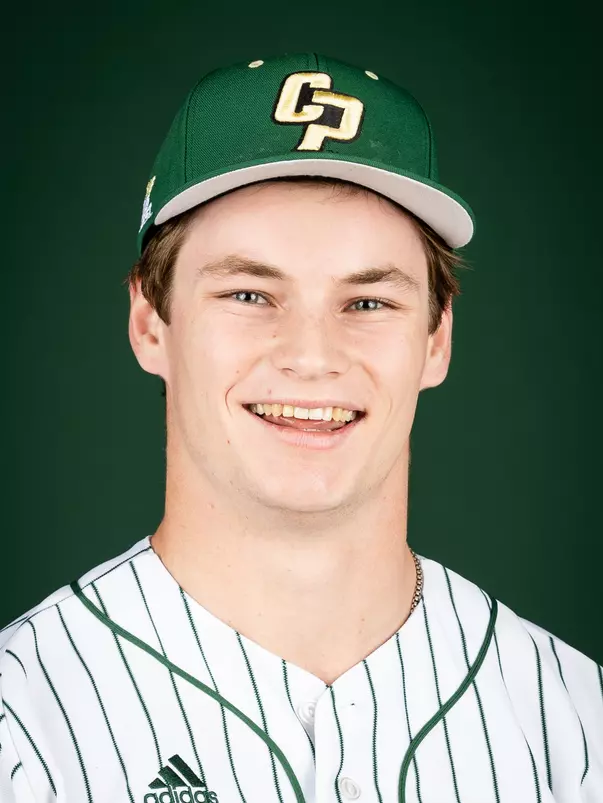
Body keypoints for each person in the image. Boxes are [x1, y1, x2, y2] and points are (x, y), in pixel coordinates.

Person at [0, 53, 601, 803]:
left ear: (436, 339)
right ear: (150, 322)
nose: (312, 357)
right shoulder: (22, 721)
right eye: (250, 293)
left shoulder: (575, 725)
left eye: (368, 302)